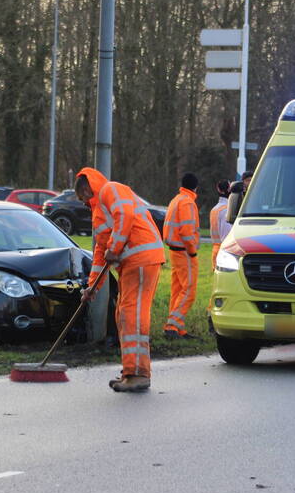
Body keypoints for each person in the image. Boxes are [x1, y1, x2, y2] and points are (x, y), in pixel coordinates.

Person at [77, 167, 165, 393]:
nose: (82, 202)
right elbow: (100, 253)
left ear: (88, 188)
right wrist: (91, 288)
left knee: (131, 314)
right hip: (131, 264)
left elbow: (125, 216)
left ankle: (138, 374)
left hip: (141, 258)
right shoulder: (99, 213)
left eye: (82, 196)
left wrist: (115, 248)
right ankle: (131, 371)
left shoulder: (110, 190)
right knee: (124, 315)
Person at [162, 173, 200, 339]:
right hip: (184, 252)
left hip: (174, 250)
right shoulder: (188, 202)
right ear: (195, 187)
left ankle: (177, 328)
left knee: (177, 290)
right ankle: (172, 325)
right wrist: (192, 250)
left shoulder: (176, 200)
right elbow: (186, 231)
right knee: (189, 290)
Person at [208, 179, 232, 271]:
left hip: (215, 250)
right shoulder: (226, 210)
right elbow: (226, 236)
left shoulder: (214, 209)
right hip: (224, 252)